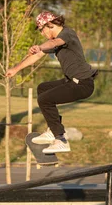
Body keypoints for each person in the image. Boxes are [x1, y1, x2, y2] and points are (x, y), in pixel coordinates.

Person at [6, 11, 97, 154]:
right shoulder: (55, 41)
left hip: (82, 84)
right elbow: (37, 55)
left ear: (50, 25)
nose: (42, 34)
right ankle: (53, 130)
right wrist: (16, 69)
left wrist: (41, 46)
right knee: (43, 88)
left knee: (45, 99)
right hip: (71, 81)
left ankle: (60, 140)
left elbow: (54, 42)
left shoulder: (67, 33)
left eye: (42, 30)